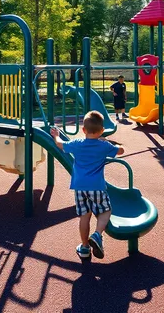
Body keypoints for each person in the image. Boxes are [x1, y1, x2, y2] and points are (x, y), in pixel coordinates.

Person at [50, 110, 124, 260]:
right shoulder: (103, 146)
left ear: (83, 130)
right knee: (106, 211)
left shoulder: (77, 144)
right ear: (102, 130)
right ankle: (97, 234)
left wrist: (56, 135)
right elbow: (121, 151)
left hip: (79, 187)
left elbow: (60, 145)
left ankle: (84, 247)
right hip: (97, 186)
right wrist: (106, 142)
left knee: (85, 216)